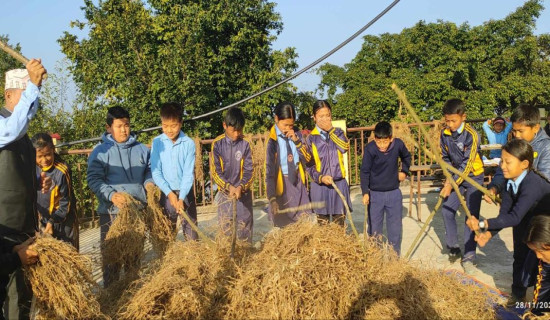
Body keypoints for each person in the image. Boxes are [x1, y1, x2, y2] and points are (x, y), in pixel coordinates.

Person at [467, 140, 550, 306]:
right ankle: (518, 295)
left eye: (508, 162)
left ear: (524, 164)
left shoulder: (532, 183)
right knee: (519, 256)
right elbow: (506, 215)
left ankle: (541, 304)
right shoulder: (509, 183)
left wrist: (482, 225)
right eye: (502, 161)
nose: (502, 166)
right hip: (525, 221)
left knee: (540, 263)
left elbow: (515, 217)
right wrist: (488, 233)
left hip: (544, 225)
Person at [0, 60, 49, 320]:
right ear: (8, 95)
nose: (31, 107)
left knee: (23, 299)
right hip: (3, 231)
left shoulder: (25, 139)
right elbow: (13, 127)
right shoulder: (3, 126)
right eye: (24, 95)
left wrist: (36, 182)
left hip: (25, 229)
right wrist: (34, 84)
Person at [87, 106, 154, 288]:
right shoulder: (100, 152)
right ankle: (111, 299)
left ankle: (132, 296)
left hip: (137, 211)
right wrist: (112, 195)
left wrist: (149, 183)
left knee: (134, 259)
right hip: (111, 213)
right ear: (109, 128)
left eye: (127, 125)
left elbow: (150, 170)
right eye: (119, 126)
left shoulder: (141, 149)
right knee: (112, 261)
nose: (124, 130)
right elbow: (93, 179)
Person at [438, 99, 484, 274]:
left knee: (470, 216)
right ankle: (453, 249)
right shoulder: (444, 134)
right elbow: (445, 158)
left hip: (473, 177)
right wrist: (448, 178)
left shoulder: (472, 135)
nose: (450, 125)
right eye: (447, 121)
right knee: (447, 210)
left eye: (453, 121)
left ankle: (470, 256)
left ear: (463, 117)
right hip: (455, 177)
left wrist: (451, 184)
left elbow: (467, 163)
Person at [360, 121, 411, 256]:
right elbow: (364, 171)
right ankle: (375, 257)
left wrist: (404, 171)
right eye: (378, 142)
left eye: (385, 142)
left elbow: (407, 157)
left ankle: (394, 259)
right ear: (375, 139)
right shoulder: (370, 149)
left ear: (391, 139)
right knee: (374, 229)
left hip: (394, 193)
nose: (382, 145)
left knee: (394, 229)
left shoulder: (398, 144)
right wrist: (365, 192)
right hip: (375, 195)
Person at [150, 102, 198, 240]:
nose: (169, 130)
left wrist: (181, 197)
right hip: (166, 193)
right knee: (166, 233)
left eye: (173, 125)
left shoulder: (188, 143)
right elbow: (156, 172)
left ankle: (193, 257)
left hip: (185, 193)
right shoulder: (157, 142)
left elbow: (188, 174)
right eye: (165, 126)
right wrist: (170, 194)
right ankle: (166, 258)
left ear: (181, 123)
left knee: (191, 231)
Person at [210, 107, 254, 241]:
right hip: (225, 194)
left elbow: (249, 171)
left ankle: (246, 256)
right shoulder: (217, 144)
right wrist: (229, 187)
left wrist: (241, 186)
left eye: (239, 130)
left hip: (243, 193)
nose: (236, 134)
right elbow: (215, 172)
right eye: (233, 130)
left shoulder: (246, 144)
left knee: (244, 227)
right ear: (225, 125)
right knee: (226, 229)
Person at [306, 100, 353, 225]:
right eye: (321, 116)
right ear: (314, 118)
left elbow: (344, 147)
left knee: (339, 223)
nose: (325, 119)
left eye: (328, 115)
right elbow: (309, 166)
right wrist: (321, 178)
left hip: (339, 183)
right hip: (320, 186)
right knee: (323, 225)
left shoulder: (337, 132)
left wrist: (330, 130)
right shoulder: (311, 138)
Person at [265, 101, 312, 227]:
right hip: (282, 184)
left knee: (303, 222)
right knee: (286, 226)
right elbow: (269, 172)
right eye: (285, 125)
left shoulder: (297, 134)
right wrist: (272, 198)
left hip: (297, 181)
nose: (288, 129)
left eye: (291, 125)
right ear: (276, 119)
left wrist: (297, 142)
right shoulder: (272, 141)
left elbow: (307, 158)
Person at [31, 133, 79, 249]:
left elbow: (66, 203)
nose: (44, 160)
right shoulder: (32, 168)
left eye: (47, 155)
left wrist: (52, 221)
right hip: (42, 222)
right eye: (40, 156)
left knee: (69, 256)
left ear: (53, 150)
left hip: (64, 222)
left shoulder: (62, 171)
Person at [524, 215, 550, 316]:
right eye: (534, 251)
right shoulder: (545, 262)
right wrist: (536, 316)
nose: (538, 256)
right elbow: (542, 289)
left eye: (540, 251)